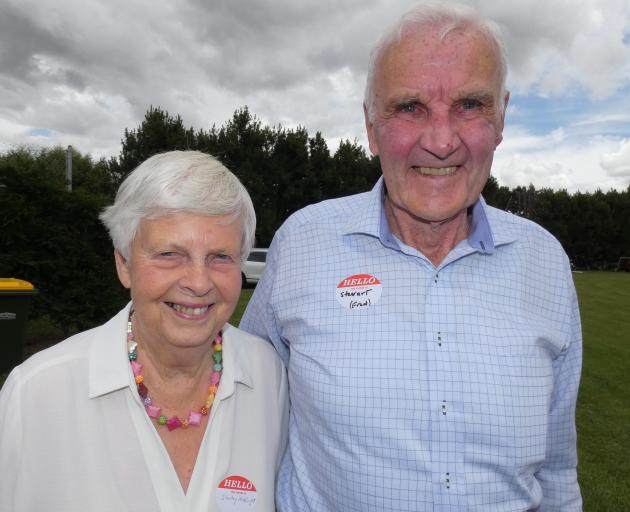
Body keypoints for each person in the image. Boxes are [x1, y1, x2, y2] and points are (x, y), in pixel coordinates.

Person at [240, 2, 582, 511]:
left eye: (469, 105)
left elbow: (557, 471)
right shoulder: (303, 243)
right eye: (409, 108)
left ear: (502, 119)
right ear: (372, 127)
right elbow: (242, 403)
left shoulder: (545, 261)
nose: (441, 141)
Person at [0, 151, 288, 511]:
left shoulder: (268, 375)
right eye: (169, 254)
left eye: (221, 257)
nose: (199, 282)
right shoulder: (37, 394)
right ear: (124, 264)